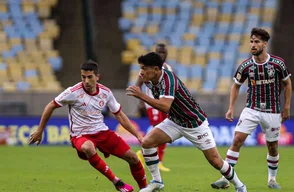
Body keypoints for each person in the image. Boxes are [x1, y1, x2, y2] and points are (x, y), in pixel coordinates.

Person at [126, 52, 247, 192]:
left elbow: (165, 106)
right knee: (147, 143)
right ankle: (157, 181)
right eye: (140, 68)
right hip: (175, 122)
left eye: (144, 68)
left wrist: (141, 96)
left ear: (156, 69)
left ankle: (240, 186)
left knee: (215, 161)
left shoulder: (169, 80)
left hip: (195, 124)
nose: (141, 73)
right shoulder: (148, 80)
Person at [29, 60, 147, 192]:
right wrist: (40, 130)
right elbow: (51, 105)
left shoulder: (106, 93)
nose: (86, 81)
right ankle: (117, 182)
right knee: (88, 147)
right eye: (83, 77)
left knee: (133, 158)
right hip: (80, 136)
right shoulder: (73, 92)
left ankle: (145, 189)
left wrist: (137, 135)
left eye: (89, 77)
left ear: (97, 77)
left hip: (102, 133)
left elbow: (119, 115)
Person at [210, 28, 292, 190]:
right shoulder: (246, 65)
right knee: (237, 140)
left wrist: (287, 106)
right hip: (251, 109)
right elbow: (236, 86)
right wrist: (231, 107)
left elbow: (287, 83)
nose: (253, 45)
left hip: (272, 111)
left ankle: (272, 180)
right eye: (251, 41)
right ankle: (225, 178)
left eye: (257, 42)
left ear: (265, 44)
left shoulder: (277, 63)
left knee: (272, 146)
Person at [135, 43, 173, 172]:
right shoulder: (148, 69)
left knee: (165, 131)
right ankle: (143, 153)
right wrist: (141, 102)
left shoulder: (168, 68)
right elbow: (138, 84)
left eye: (163, 52)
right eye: (159, 52)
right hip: (153, 104)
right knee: (159, 128)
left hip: (165, 104)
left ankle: (157, 160)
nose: (161, 54)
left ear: (167, 53)